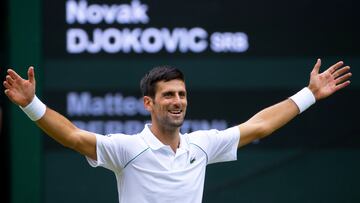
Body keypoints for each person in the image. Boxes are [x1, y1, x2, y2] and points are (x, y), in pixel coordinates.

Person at [3, 59, 351, 203]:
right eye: (168, 95)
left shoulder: (201, 146)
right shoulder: (127, 148)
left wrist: (309, 94)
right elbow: (73, 136)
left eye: (182, 94)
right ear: (148, 104)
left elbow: (259, 126)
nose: (177, 101)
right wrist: (30, 104)